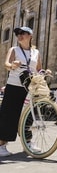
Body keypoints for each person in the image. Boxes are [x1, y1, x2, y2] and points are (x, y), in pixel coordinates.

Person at [0, 26, 47, 156]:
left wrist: (45, 72)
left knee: (29, 116)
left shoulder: (36, 52)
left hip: (30, 88)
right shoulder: (14, 49)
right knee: (9, 116)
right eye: (18, 34)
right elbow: (6, 64)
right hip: (14, 86)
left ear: (30, 36)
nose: (20, 35)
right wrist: (12, 65)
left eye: (23, 33)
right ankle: (2, 145)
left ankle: (28, 142)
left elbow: (39, 69)